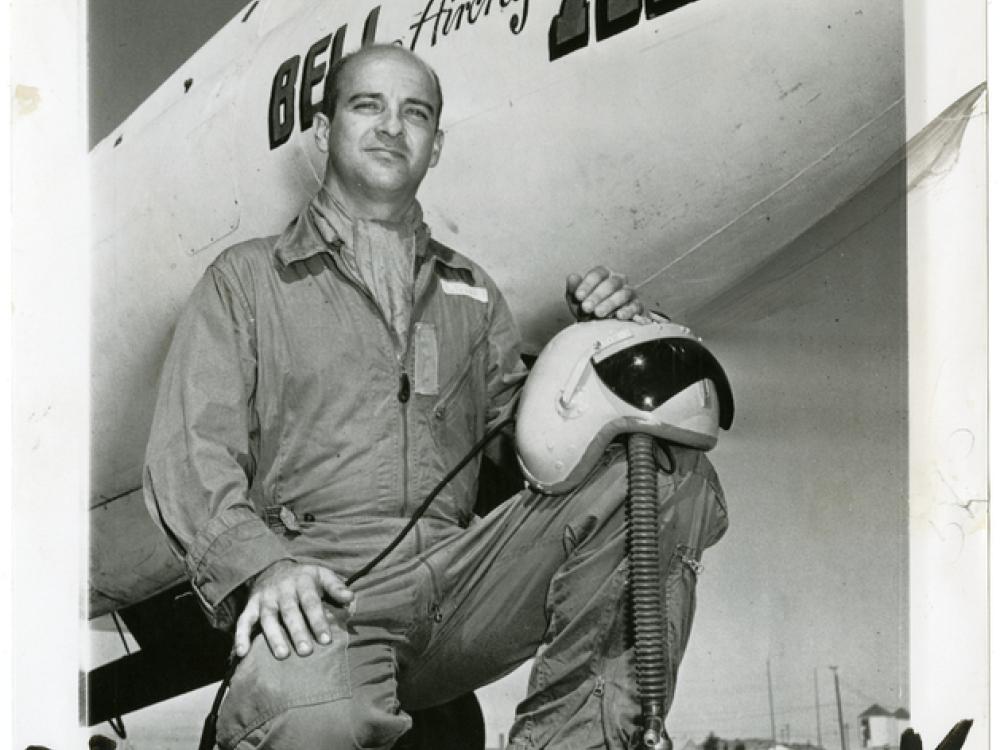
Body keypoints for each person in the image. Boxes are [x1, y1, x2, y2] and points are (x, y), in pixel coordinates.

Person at [143, 44, 728, 750]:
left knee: (658, 469)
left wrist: (608, 347)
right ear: (325, 133)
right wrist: (262, 566)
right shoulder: (246, 281)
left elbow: (539, 455)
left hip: (460, 586)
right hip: (328, 590)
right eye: (369, 106)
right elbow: (189, 451)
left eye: (414, 114)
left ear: (436, 145)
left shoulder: (473, 294)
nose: (393, 127)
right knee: (311, 716)